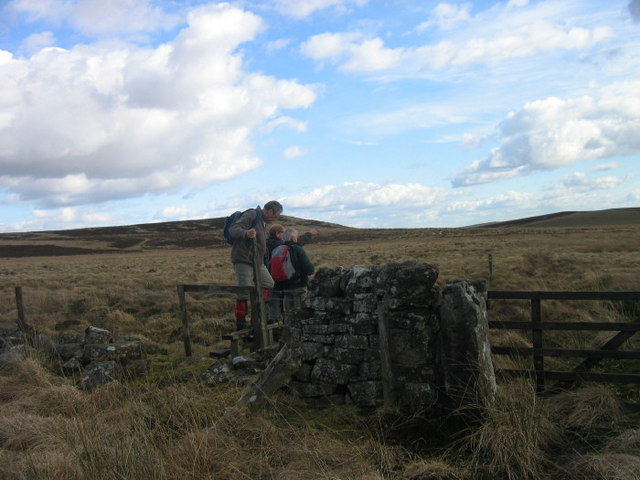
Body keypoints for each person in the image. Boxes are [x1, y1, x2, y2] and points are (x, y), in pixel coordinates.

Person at [228, 200, 283, 329]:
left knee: (268, 283)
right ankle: (241, 324)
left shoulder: (262, 222)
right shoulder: (252, 214)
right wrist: (245, 233)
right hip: (243, 259)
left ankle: (258, 317)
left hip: (257, 261)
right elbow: (233, 229)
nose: (274, 220)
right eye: (274, 216)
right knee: (244, 290)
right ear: (269, 211)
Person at [271, 227, 314, 328]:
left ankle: (288, 336)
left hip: (285, 287)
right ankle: (300, 338)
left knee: (288, 314)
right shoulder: (297, 249)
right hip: (298, 286)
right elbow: (309, 269)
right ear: (293, 238)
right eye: (296, 236)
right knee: (300, 313)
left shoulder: (277, 250)